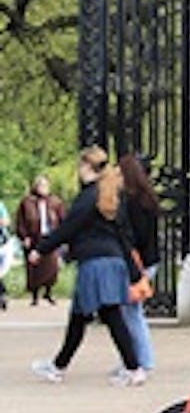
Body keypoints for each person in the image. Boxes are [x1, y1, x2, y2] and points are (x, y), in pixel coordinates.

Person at [29, 147, 145, 387]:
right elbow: (124, 234)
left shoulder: (88, 198)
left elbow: (68, 228)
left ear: (87, 167)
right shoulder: (111, 195)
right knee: (81, 316)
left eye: (80, 166)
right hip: (112, 261)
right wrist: (133, 270)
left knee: (108, 315)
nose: (78, 171)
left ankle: (134, 368)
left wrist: (41, 249)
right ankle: (59, 366)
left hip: (95, 263)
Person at [116, 154, 160, 374]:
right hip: (147, 260)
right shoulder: (147, 198)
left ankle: (141, 359)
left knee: (131, 313)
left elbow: (137, 236)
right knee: (131, 312)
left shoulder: (132, 201)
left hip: (137, 262)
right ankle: (134, 358)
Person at [16, 175, 65, 305]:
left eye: (45, 185)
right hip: (34, 237)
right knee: (34, 267)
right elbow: (20, 221)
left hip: (51, 237)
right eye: (41, 185)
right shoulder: (27, 202)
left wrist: (62, 237)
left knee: (52, 266)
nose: (43, 188)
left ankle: (49, 292)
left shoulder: (55, 202)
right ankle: (35, 295)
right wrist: (24, 236)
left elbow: (63, 220)